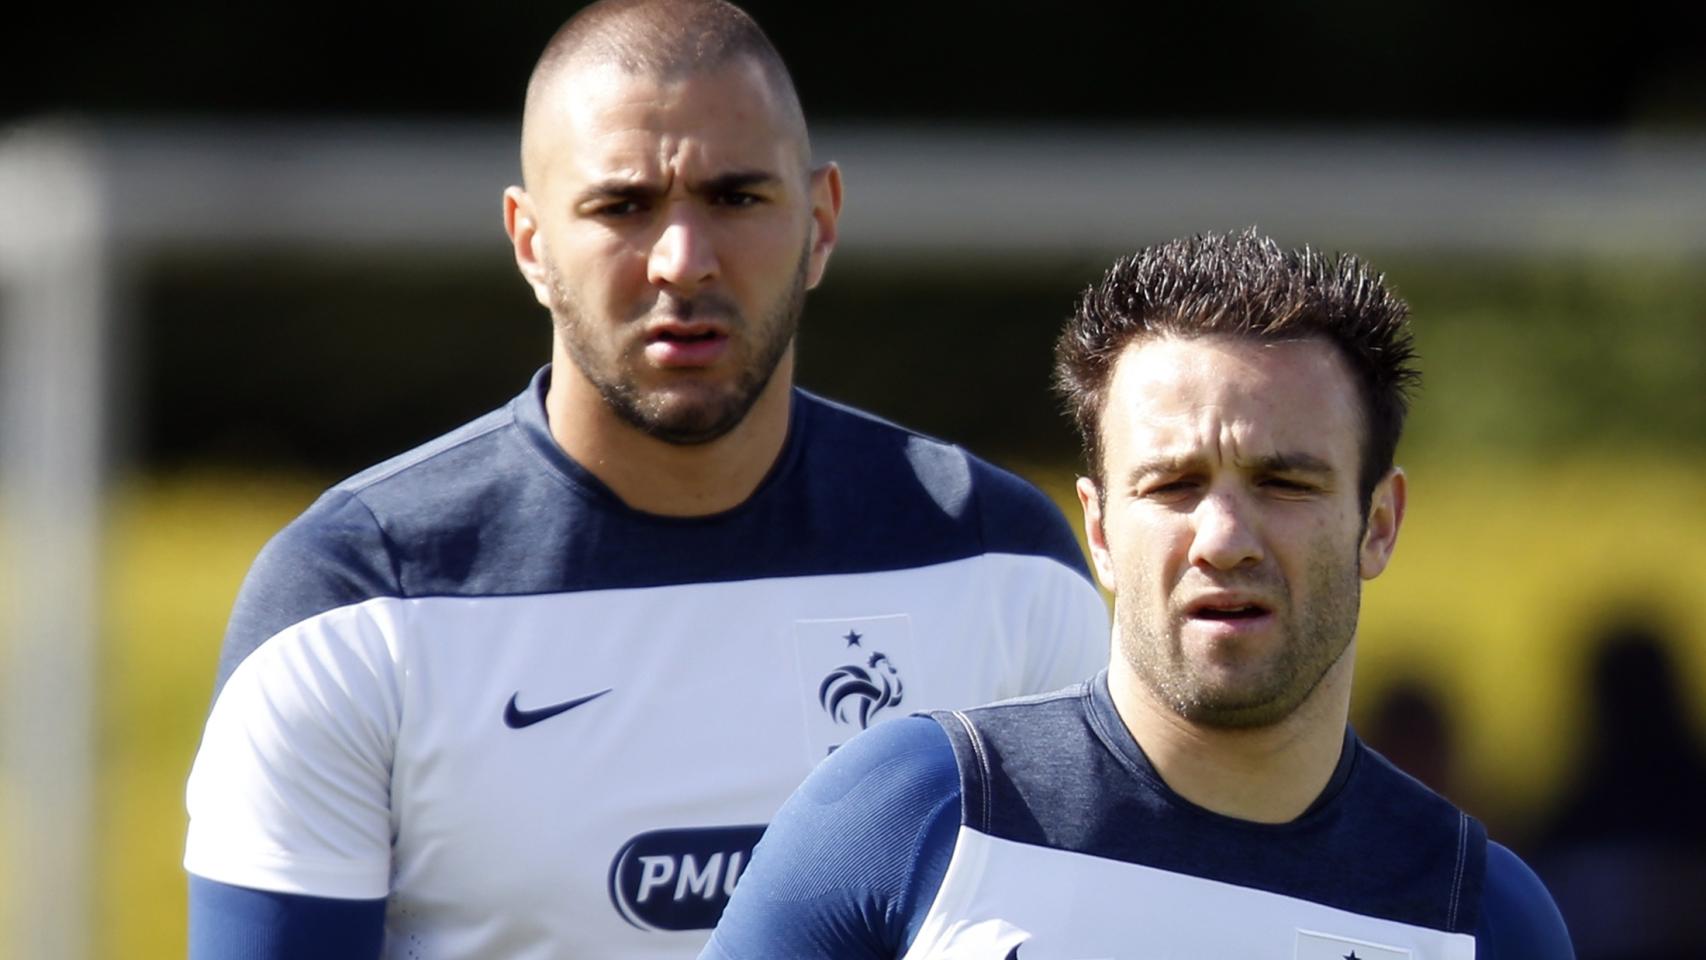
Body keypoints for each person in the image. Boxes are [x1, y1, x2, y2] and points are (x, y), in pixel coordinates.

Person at [180, 1, 1108, 956]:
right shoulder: (355, 604)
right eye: (622, 206)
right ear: (531, 241)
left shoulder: (1002, 567)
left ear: (821, 221)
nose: (683, 262)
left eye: (736, 198)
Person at [702, 230, 1576, 959]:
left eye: (1285, 483)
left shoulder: (1484, 918)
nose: (1225, 539)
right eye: (1172, 485)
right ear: (1101, 530)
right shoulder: (904, 817)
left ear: (1378, 523)